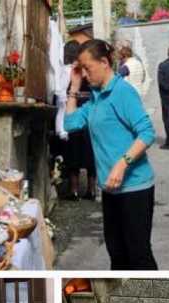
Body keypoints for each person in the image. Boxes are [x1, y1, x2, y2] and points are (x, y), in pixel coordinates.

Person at [64, 39, 158, 270]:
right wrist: (74, 87)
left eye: (88, 68)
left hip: (134, 188)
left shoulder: (122, 92)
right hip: (110, 190)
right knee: (117, 255)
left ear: (104, 62)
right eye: (82, 70)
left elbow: (147, 132)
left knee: (138, 256)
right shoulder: (96, 98)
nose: (85, 75)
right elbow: (70, 123)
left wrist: (122, 163)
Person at [53, 40, 97, 201]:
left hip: (73, 111)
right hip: (89, 113)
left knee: (73, 154)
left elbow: (60, 94)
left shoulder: (68, 72)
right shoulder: (89, 71)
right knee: (91, 153)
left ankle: (74, 190)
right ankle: (92, 190)